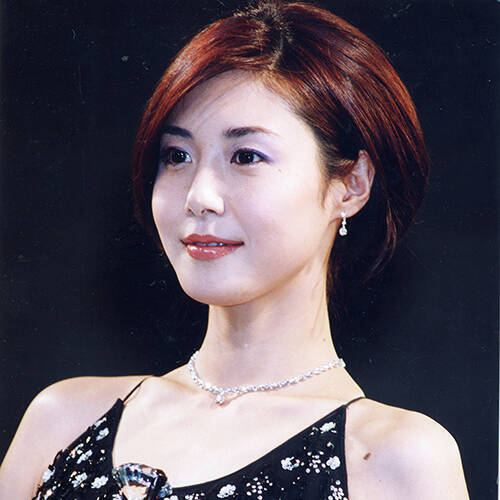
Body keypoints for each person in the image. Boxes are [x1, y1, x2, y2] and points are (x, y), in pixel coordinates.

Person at [0, 1, 469, 498]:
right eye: (177, 156)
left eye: (246, 156)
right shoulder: (63, 421)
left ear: (351, 185)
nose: (199, 196)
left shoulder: (391, 459)